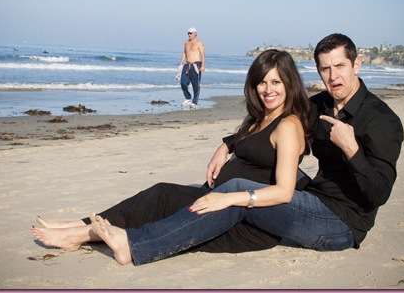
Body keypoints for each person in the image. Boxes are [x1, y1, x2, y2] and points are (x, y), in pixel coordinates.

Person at [77, 33, 404, 266]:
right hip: (314, 197)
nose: (333, 76)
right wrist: (228, 143)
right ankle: (89, 230)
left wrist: (352, 151)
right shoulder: (318, 105)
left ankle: (135, 246)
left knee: (235, 193)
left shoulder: (382, 122)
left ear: (357, 64)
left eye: (340, 67)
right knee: (197, 192)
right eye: (325, 69)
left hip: (342, 224)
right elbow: (275, 121)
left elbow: (378, 193)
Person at [31, 49, 313, 255]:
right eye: (262, 82)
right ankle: (74, 227)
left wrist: (228, 199)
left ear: (289, 84)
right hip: (216, 201)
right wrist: (224, 146)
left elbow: (284, 191)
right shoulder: (259, 118)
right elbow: (249, 143)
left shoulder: (288, 125)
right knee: (158, 196)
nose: (267, 89)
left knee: (160, 202)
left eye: (276, 82)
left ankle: (78, 234)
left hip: (238, 218)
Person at [176, 27, 205, 110]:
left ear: (195, 33)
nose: (189, 34)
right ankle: (188, 98)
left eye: (190, 33)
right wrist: (180, 64)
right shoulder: (186, 42)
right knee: (183, 82)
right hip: (187, 65)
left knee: (196, 85)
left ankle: (194, 102)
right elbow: (185, 53)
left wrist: (203, 66)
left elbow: (203, 55)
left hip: (196, 64)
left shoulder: (199, 43)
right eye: (188, 33)